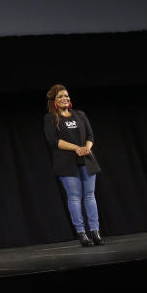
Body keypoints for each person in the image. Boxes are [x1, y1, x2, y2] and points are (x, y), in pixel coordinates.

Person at [43, 84, 104, 247]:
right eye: (61, 96)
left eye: (67, 96)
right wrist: (76, 148)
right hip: (66, 163)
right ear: (54, 101)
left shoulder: (80, 115)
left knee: (90, 196)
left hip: (87, 159)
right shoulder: (50, 118)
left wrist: (86, 148)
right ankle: (82, 233)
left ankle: (95, 232)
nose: (65, 99)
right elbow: (54, 141)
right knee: (75, 197)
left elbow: (90, 135)